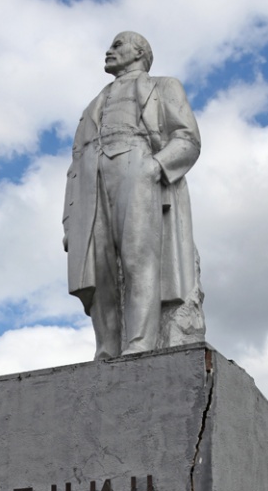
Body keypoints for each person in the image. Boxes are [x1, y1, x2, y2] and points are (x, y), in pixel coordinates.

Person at [63, 31, 203, 360]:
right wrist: (69, 221)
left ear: (139, 52)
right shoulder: (93, 104)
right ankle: (107, 347)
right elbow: (75, 163)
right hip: (92, 178)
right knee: (98, 268)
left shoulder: (165, 86)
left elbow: (187, 137)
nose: (108, 51)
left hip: (138, 166)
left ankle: (139, 344)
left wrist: (155, 166)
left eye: (117, 45)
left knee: (138, 257)